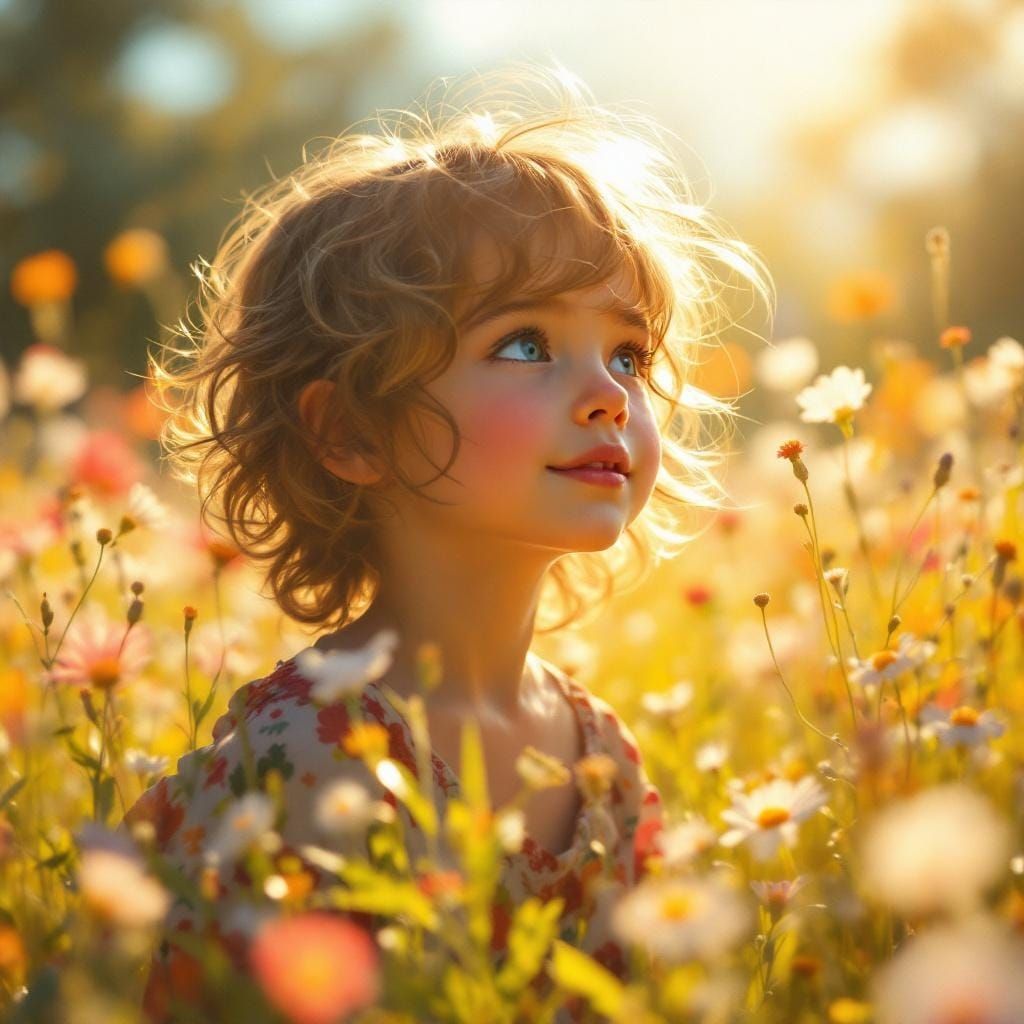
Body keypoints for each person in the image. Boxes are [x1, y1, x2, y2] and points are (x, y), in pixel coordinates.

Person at [124, 62, 772, 1022]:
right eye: (525, 344)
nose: (609, 393)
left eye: (628, 354)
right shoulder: (300, 760)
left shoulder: (605, 764)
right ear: (348, 432)